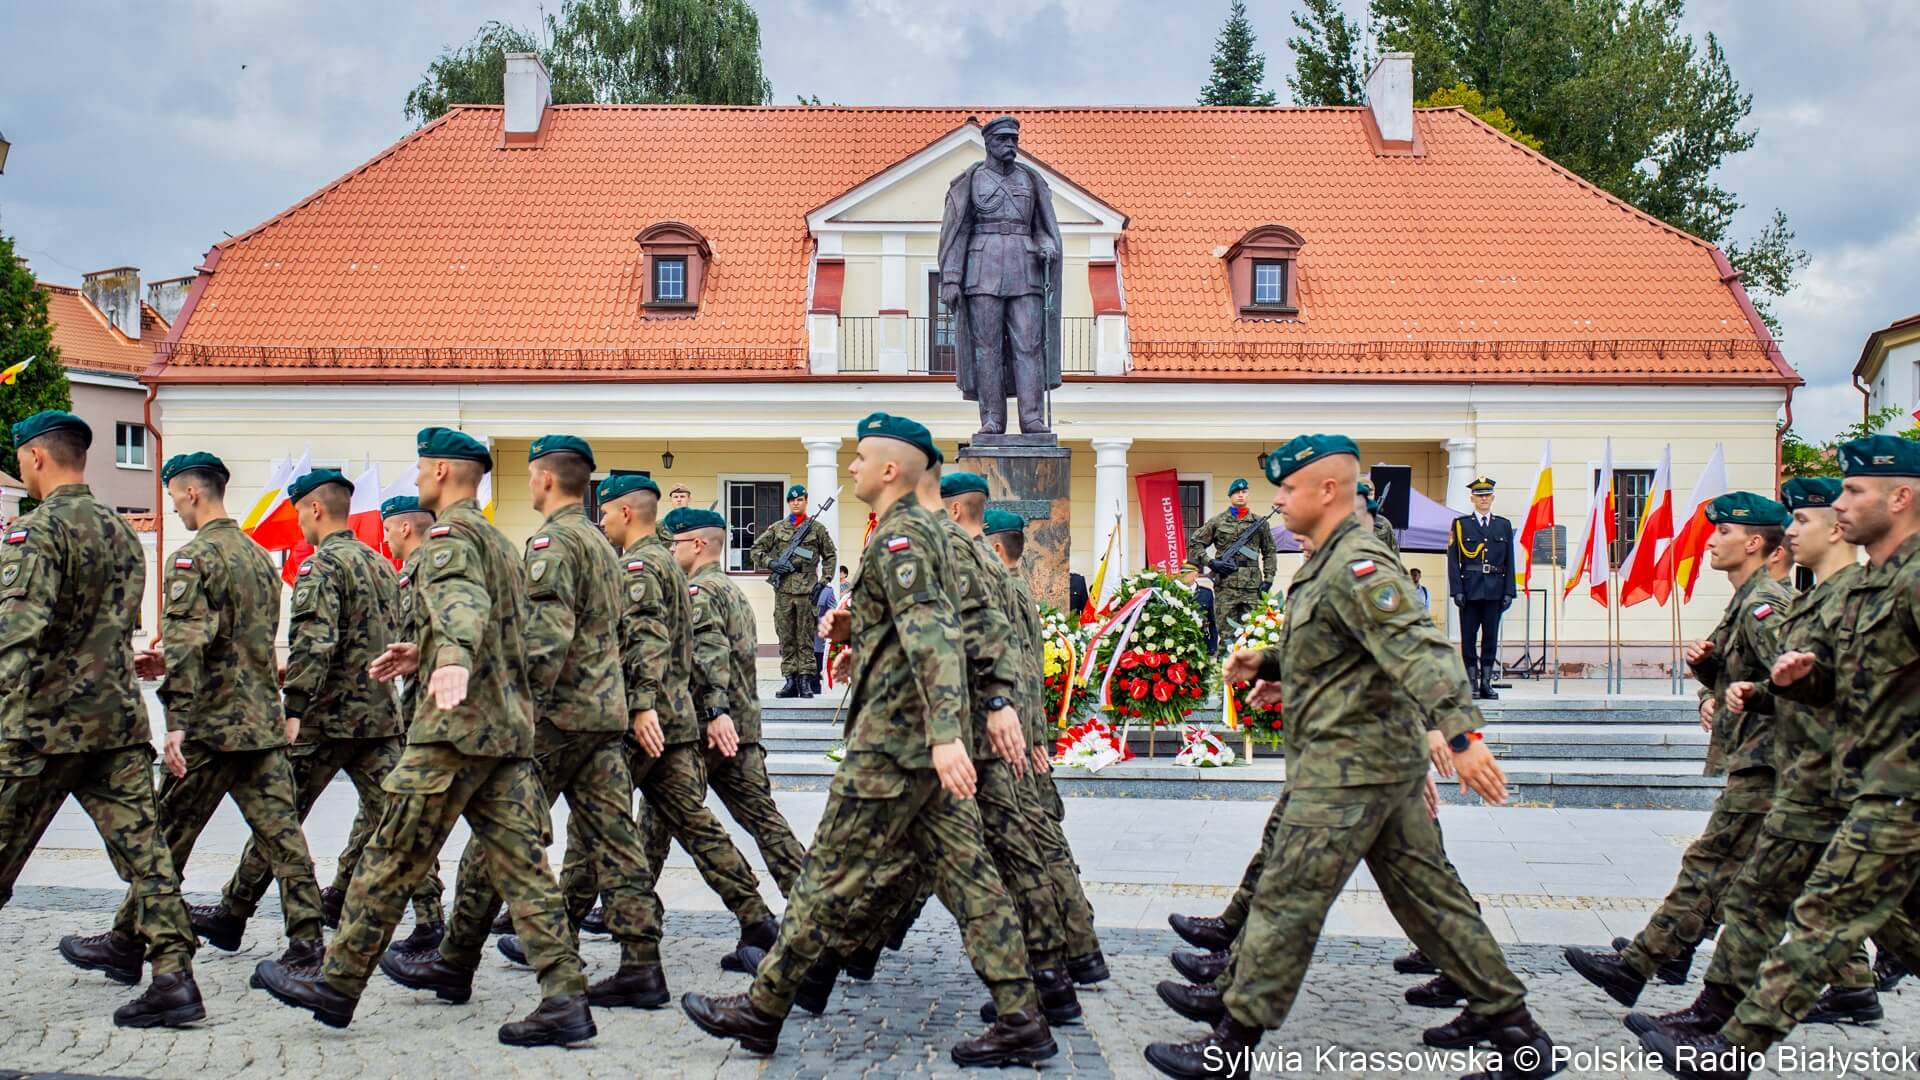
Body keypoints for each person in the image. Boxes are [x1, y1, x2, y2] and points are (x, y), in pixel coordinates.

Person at [1145, 434, 1556, 1080]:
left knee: (1286, 898)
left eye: (1288, 489)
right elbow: (1345, 649)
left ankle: (1229, 1045)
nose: (1277, 501)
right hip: (1371, 766)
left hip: (1351, 769)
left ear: (1327, 490)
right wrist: (1276, 665)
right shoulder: (1328, 563)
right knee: (1432, 903)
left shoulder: (1359, 563)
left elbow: (1420, 649)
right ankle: (1516, 1030)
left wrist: (1463, 737)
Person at [681, 412, 1055, 1067]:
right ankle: (1022, 1016)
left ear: (890, 470)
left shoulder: (901, 540)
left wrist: (945, 735)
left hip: (895, 744)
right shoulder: (939, 537)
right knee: (972, 881)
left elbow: (933, 634)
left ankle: (764, 1008)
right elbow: (985, 625)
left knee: (825, 876)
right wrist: (984, 695)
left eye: (859, 458)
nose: (849, 467)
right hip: (923, 744)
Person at [253, 427, 594, 1047]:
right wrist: (427, 650)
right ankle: (565, 997)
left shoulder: (447, 537)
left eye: (420, 469)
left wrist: (452, 656)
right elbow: (507, 631)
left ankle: (335, 984)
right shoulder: (499, 540)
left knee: (390, 857)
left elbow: (462, 605)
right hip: (506, 734)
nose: (414, 480)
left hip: (453, 732)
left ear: (441, 471)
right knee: (524, 869)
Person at [1641, 437, 1920, 1079]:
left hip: (1895, 790)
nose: (1839, 502)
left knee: (1824, 915)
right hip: (1855, 782)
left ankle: (1731, 1046)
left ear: (1900, 497)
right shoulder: (1871, 584)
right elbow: (1857, 686)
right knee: (1783, 902)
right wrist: (1791, 684)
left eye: (1852, 491)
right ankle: (1717, 1021)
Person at [391, 435, 667, 1011]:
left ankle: (454, 959)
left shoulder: (552, 543)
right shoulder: (598, 540)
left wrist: (519, 702)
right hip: (603, 714)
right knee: (616, 843)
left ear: (543, 479)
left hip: (557, 716)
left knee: (500, 836)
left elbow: (546, 639)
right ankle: (642, 963)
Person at [69, 455, 327, 990]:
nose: (173, 508)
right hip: (259, 723)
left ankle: (129, 942)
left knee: (164, 838)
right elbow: (238, 641)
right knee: (285, 839)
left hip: (211, 727)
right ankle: (307, 944)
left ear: (191, 494)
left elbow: (189, 640)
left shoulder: (194, 558)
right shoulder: (259, 557)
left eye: (173, 498)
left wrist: (177, 720)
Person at [0, 414, 203, 1027]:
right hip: (115, 723)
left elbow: (16, 636)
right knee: (148, 857)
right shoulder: (119, 532)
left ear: (36, 457)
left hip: (41, 729)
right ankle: (174, 978)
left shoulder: (36, 532)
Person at [197, 476, 446, 961]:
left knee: (278, 821)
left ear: (315, 510)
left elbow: (316, 643)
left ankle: (235, 911)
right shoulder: (381, 565)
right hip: (378, 718)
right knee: (399, 820)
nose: (299, 522)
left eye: (299, 513)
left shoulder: (320, 567)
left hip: (327, 721)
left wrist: (293, 708)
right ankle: (432, 917)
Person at [1565, 493, 1794, 1008]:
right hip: (1758, 759)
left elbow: (1802, 681)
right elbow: (1746, 675)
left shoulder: (1765, 605)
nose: (1711, 541)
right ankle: (1670, 954)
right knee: (1741, 875)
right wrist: (1711, 680)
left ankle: (1644, 963)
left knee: (1715, 864)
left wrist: (1748, 695)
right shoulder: (1744, 602)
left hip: (1771, 762)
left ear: (1755, 543)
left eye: (1724, 534)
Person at [567, 472, 778, 969]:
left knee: (597, 822)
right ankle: (756, 917)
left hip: (652, 721)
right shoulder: (668, 566)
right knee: (691, 824)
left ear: (624, 511)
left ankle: (559, 931)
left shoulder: (642, 566)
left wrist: (644, 705)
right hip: (676, 719)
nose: (599, 518)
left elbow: (650, 642)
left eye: (605, 509)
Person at [986, 509, 1106, 985]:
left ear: (996, 548)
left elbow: (1020, 672)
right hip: (1016, 734)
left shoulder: (1005, 591)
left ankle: (1062, 958)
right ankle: (1077, 951)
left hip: (1008, 738)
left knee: (1032, 844)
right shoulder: (1016, 589)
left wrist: (1033, 739)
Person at [678, 507, 808, 898]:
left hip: (708, 727)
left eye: (675, 543)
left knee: (661, 816)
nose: (670, 550)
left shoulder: (700, 591)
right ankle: (815, 907)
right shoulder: (733, 590)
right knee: (765, 822)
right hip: (743, 726)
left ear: (698, 544)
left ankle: (626, 908)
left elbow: (709, 654)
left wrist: (714, 711)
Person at [750, 484, 837, 698]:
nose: (796, 503)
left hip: (808, 590)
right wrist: (772, 564)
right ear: (788, 503)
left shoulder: (816, 529)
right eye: (792, 500)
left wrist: (824, 581)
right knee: (786, 636)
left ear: (806, 501)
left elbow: (830, 556)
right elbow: (756, 550)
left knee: (806, 637)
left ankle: (806, 681)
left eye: (800, 499)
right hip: (784, 592)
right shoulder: (778, 528)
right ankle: (790, 680)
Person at [1447, 476, 1516, 700]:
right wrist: (1456, 589)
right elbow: (1453, 560)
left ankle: (1486, 682)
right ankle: (1471, 683)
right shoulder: (1461, 525)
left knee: (1490, 638)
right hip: (1470, 589)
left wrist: (1509, 591)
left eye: (1487, 495)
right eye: (1479, 496)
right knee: (1468, 638)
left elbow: (1510, 561)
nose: (1483, 499)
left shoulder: (1503, 525)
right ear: (1472, 499)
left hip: (1495, 589)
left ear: (1493, 498)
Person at [1189, 478, 1276, 652]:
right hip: (1226, 586)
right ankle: (1225, 676)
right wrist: (1212, 563)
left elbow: (1270, 551)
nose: (1241, 495)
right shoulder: (1218, 522)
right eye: (1237, 492)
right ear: (1230, 496)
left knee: (1254, 634)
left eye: (1244, 492)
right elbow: (1195, 544)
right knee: (1226, 636)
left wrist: (1269, 579)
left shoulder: (1260, 523)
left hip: (1252, 587)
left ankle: (1251, 677)